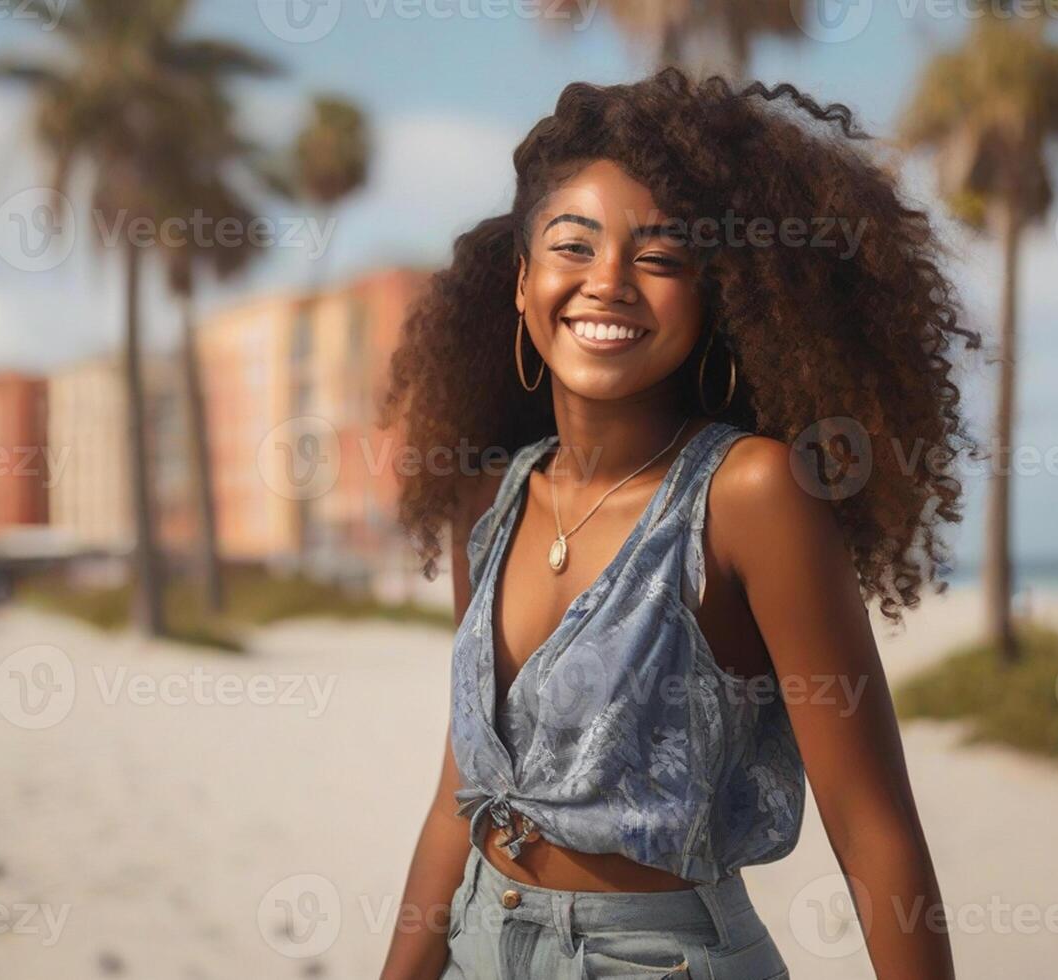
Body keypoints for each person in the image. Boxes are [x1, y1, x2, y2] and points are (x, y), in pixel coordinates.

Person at [377, 68, 974, 980]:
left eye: (658, 259)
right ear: (521, 281)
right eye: (572, 247)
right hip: (475, 945)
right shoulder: (487, 506)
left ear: (712, 297)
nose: (608, 283)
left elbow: (871, 826)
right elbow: (459, 796)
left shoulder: (752, 493)